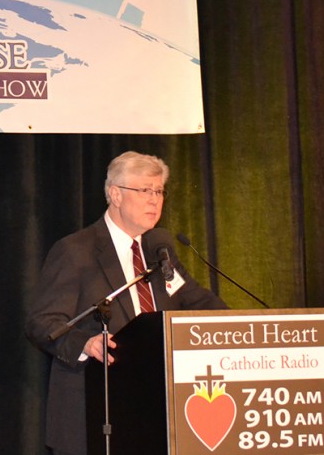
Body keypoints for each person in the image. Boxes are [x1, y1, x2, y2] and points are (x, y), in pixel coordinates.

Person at [25, 151, 228, 455]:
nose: (154, 200)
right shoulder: (76, 250)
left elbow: (198, 301)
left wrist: (244, 328)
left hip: (155, 408)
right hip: (95, 407)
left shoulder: (159, 251)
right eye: (144, 190)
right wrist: (85, 344)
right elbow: (43, 322)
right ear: (115, 194)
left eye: (159, 191)